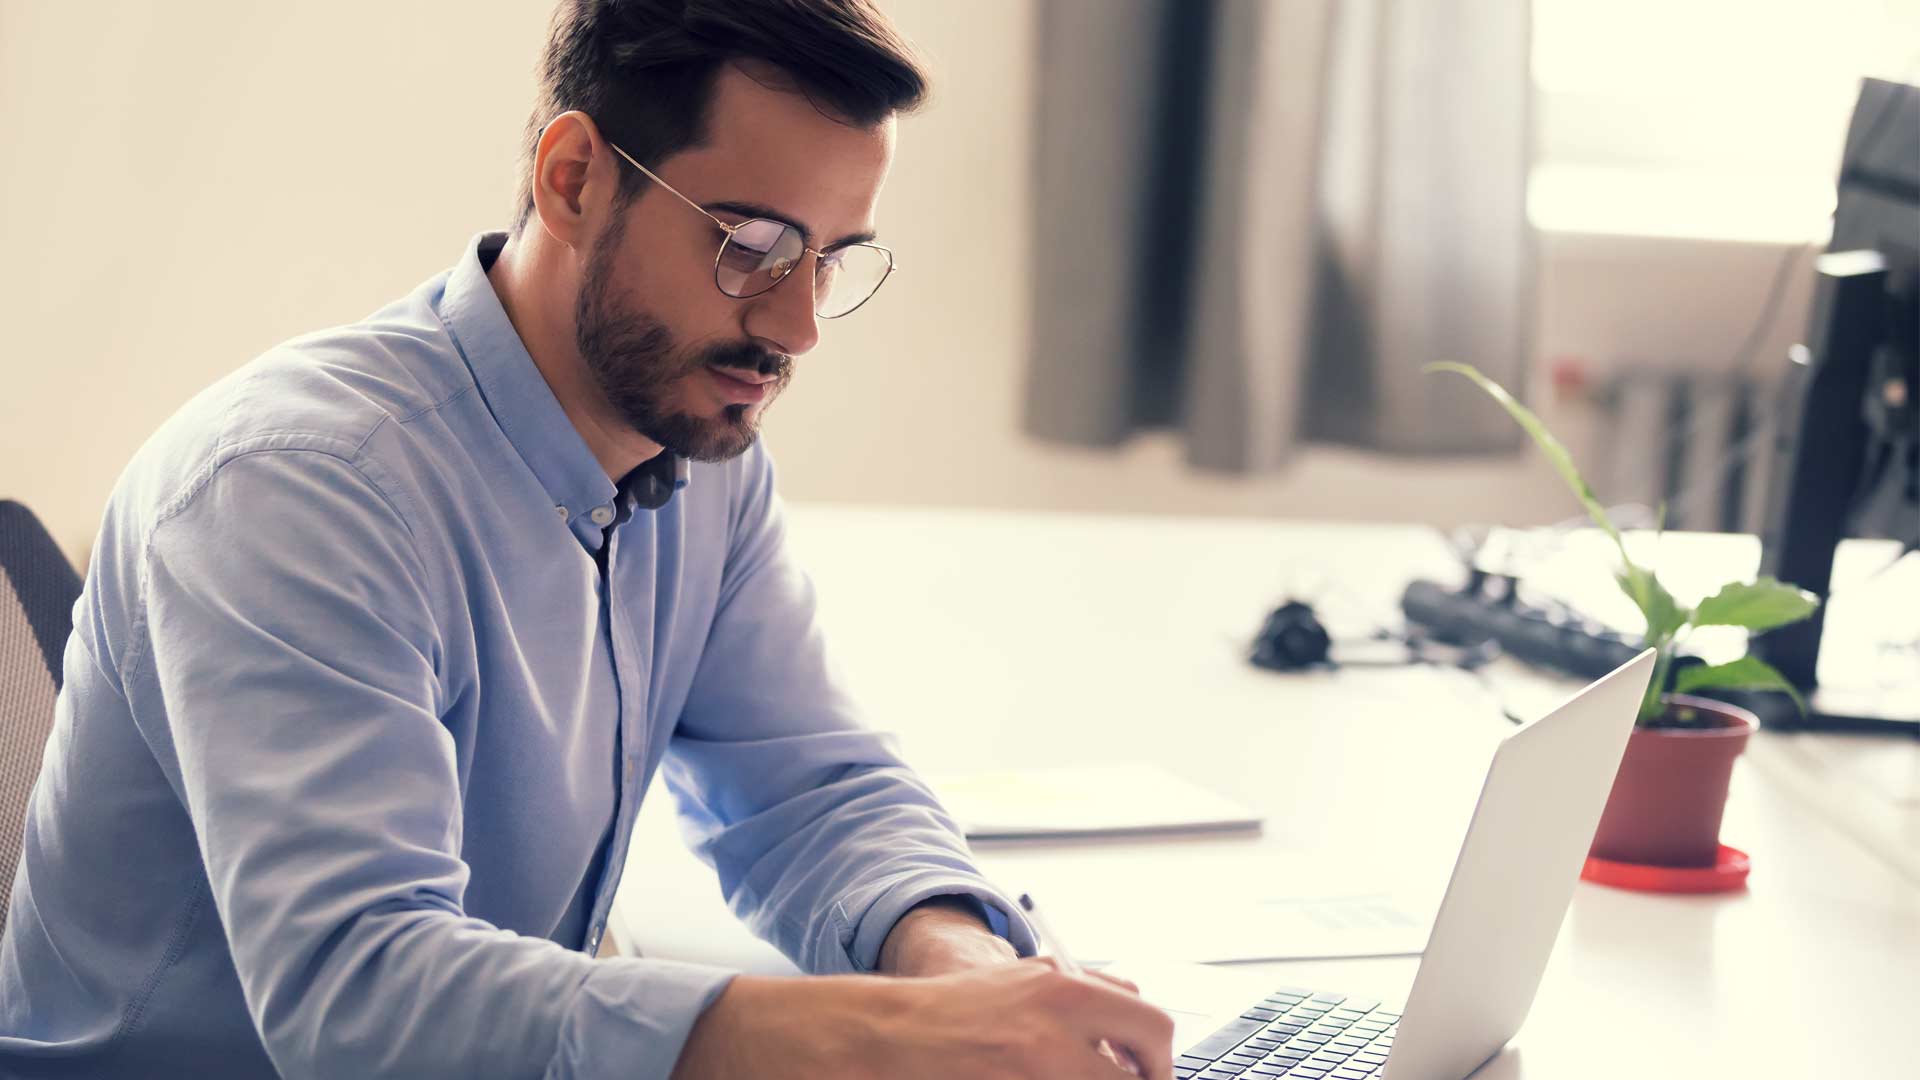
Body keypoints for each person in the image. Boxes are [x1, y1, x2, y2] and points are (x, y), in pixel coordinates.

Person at [0, 1, 1175, 1077]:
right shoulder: (296, 491)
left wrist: (966, 973)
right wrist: (890, 1034)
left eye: (831, 259)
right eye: (754, 246)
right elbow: (358, 998)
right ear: (571, 179)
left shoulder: (700, 450)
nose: (799, 326)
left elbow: (810, 792)